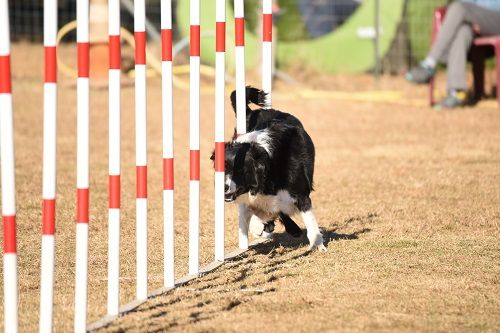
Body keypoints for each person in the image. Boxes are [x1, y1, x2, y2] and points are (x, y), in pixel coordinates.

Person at [405, 0, 500, 108]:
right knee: (463, 31)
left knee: (459, 8)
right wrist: (474, 16)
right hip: (477, 18)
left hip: (495, 18)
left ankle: (430, 63)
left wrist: (477, 15)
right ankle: (456, 91)